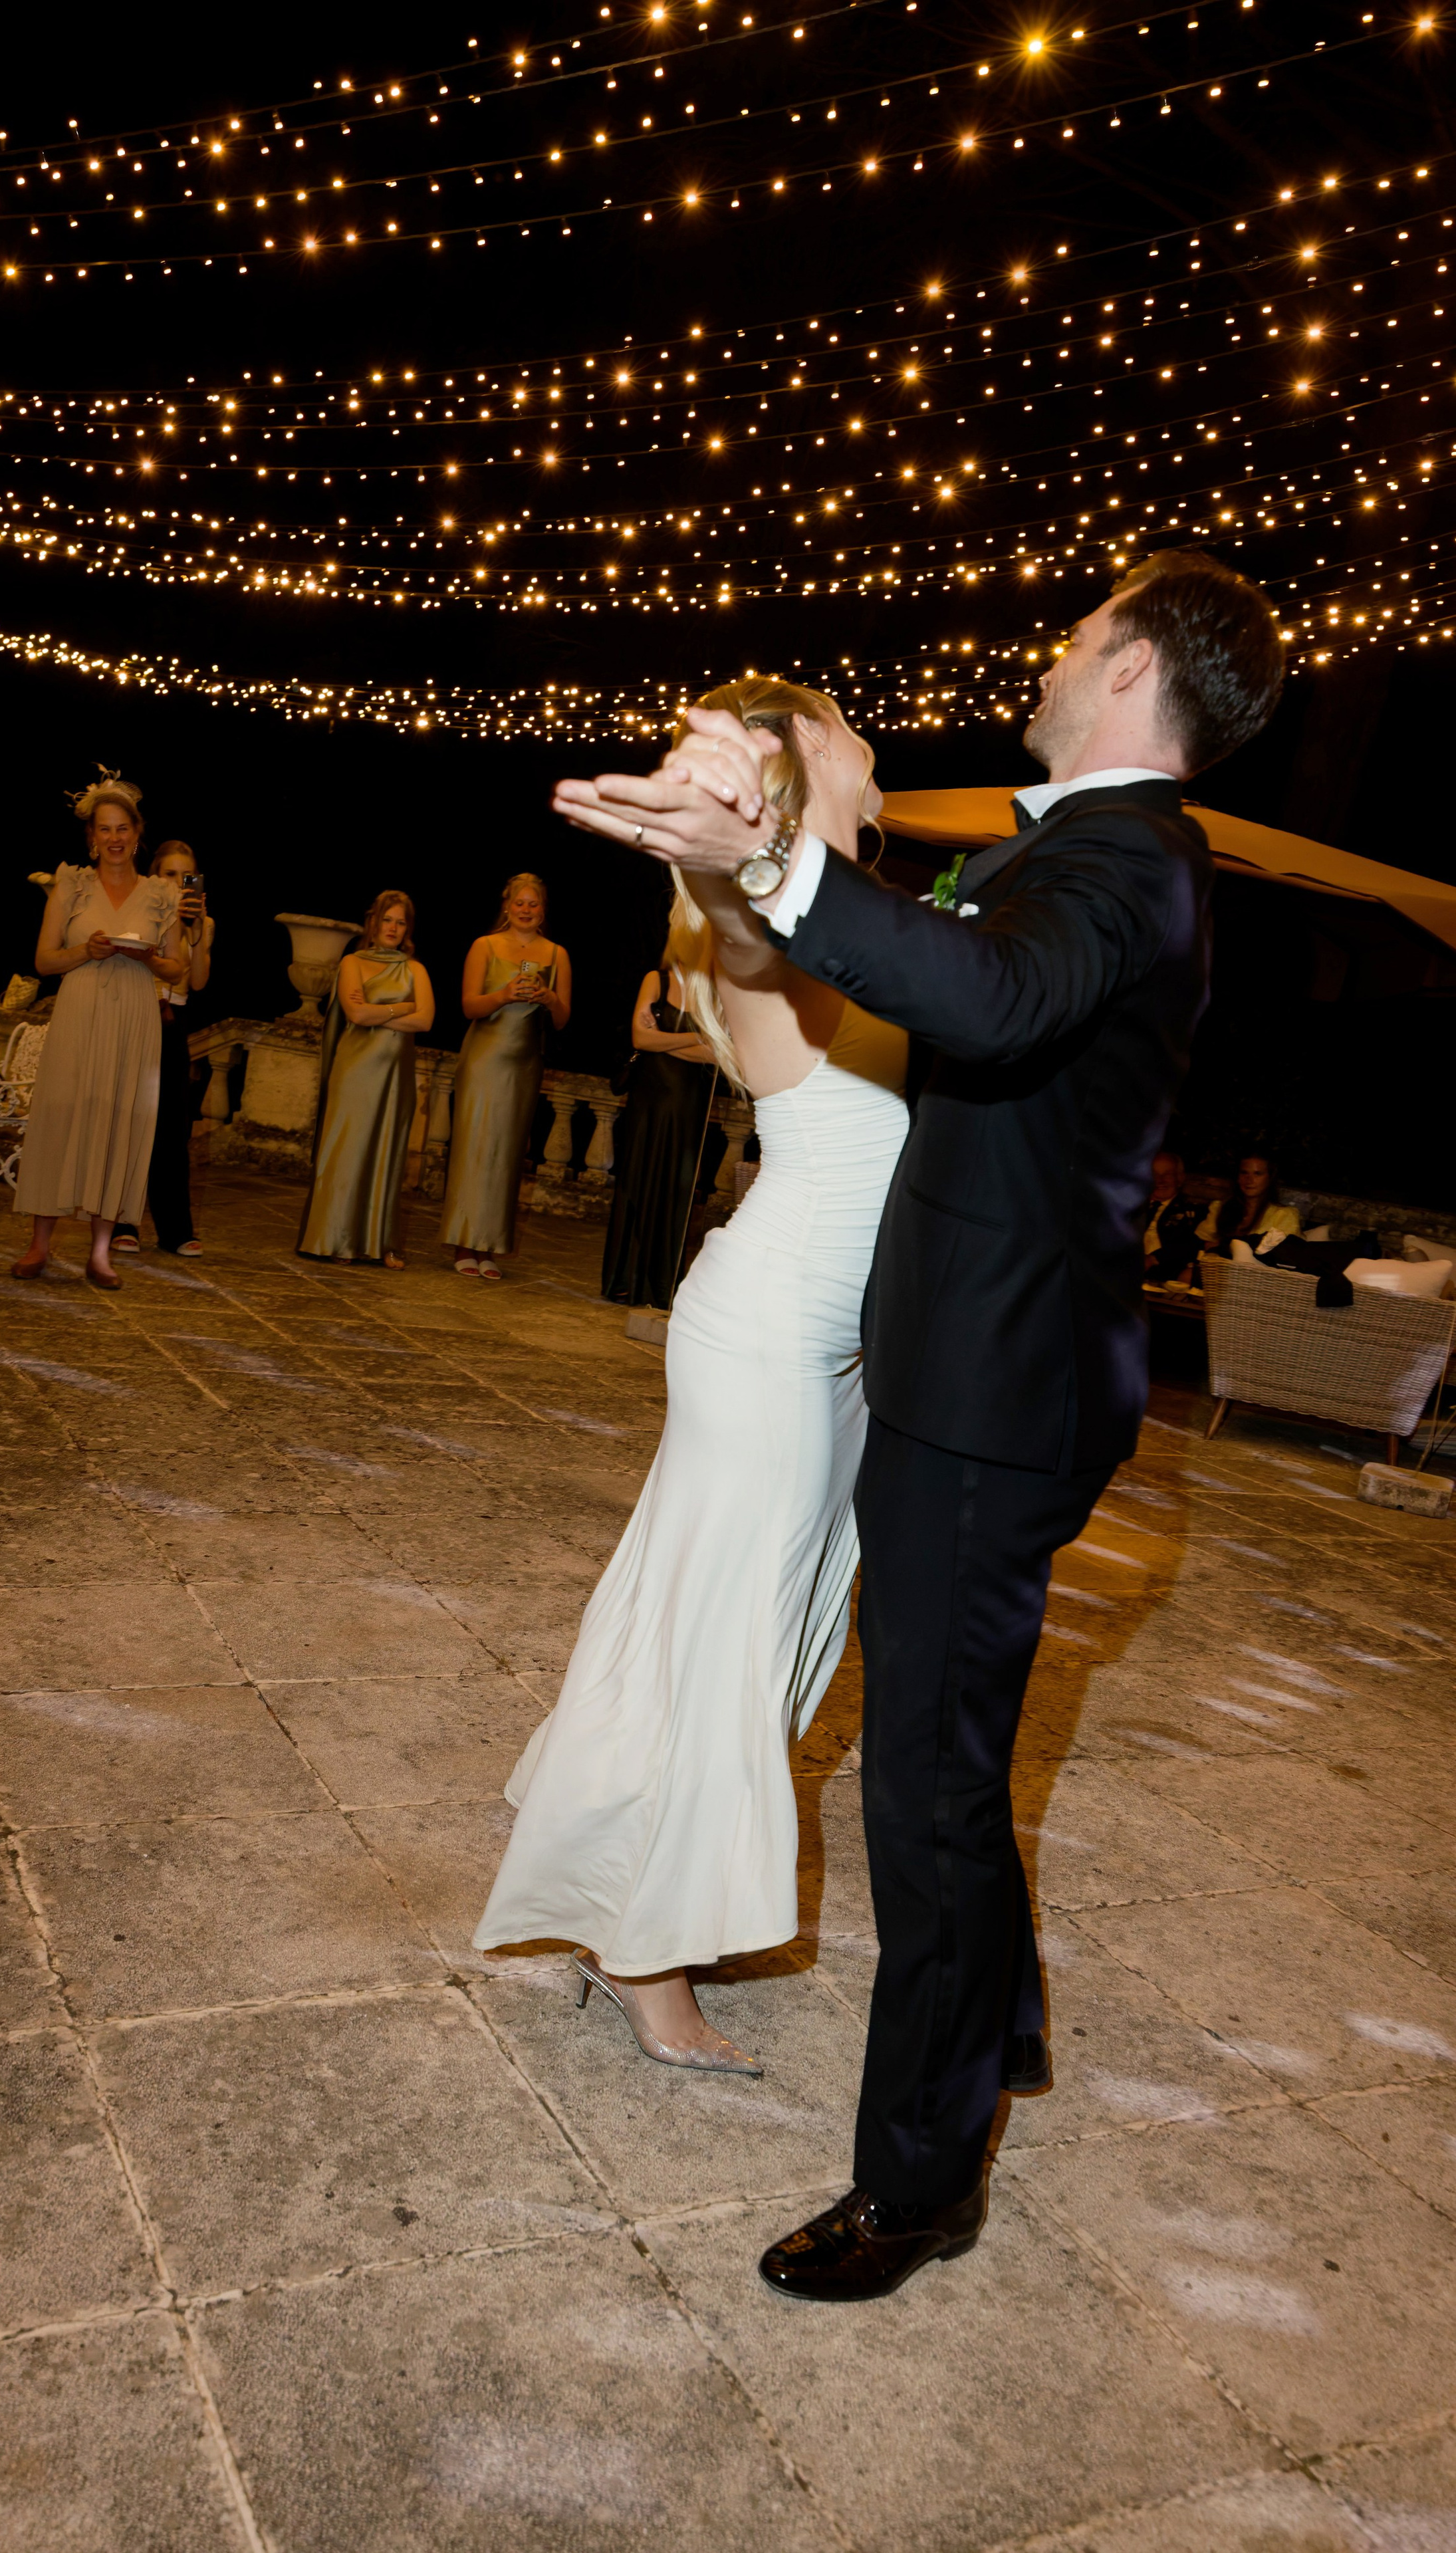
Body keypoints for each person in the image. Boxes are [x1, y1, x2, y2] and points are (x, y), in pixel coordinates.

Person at [555, 546, 1284, 2302]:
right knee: (952, 1751)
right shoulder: (1077, 852)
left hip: (993, 1397)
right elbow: (918, 979)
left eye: (1077, 629)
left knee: (932, 1789)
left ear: (1130, 670)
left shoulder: (1130, 863)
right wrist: (751, 871)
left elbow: (994, 999)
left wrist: (772, 857)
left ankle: (919, 2186)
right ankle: (997, 2023)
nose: (1047, 649)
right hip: (983, 1376)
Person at [476, 679, 910, 2075]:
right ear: (790, 767)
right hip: (770, 1337)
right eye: (841, 720)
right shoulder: (766, 931)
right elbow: (740, 927)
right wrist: (724, 864)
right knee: (718, 1645)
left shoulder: (874, 921)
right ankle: (642, 1956)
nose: (868, 733)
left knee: (764, 1640)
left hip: (838, 1354)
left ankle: (651, 1885)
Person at [12, 777, 186, 1290]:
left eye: (123, 828)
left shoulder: (162, 894)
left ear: (138, 834)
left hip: (135, 1013)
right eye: (104, 829)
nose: (114, 838)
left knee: (120, 1120)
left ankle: (102, 1251)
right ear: (92, 836)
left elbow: (177, 968)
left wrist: (150, 956)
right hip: (80, 1006)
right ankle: (39, 1244)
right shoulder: (71, 884)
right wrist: (82, 952)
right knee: (61, 1114)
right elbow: (44, 960)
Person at [439, 873, 572, 1279]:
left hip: (525, 1063)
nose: (527, 910)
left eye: (534, 904)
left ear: (543, 910)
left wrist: (550, 999)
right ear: (507, 906)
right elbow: (468, 1006)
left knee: (508, 1153)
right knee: (475, 1147)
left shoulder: (557, 954)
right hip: (484, 1057)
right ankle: (465, 1241)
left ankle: (491, 1246)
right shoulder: (486, 946)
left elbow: (563, 1020)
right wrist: (504, 995)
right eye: (520, 903)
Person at [296, 890, 435, 1269]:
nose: (393, 927)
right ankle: (336, 1239)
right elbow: (355, 1016)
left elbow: (425, 1021)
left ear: (408, 928)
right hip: (355, 1071)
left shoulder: (415, 969)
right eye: (387, 919)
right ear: (373, 923)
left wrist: (380, 1011)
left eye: (401, 921)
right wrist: (403, 1006)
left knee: (386, 1153)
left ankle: (378, 1243)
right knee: (347, 1152)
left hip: (394, 1076)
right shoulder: (353, 962)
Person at [599, 915, 718, 1311]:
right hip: (649, 1101)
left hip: (688, 1104)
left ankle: (660, 1285)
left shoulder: (714, 990)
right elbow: (639, 1038)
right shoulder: (656, 979)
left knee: (675, 1193)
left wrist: (662, 1040)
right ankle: (622, 1280)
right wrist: (693, 1038)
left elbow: (717, 1052)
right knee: (637, 1184)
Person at [111, 839, 215, 1257]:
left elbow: (201, 981)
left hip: (175, 1022)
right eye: (169, 874)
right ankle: (123, 1222)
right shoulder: (139, 912)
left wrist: (198, 933)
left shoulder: (201, 924)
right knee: (130, 1123)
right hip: (137, 1017)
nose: (177, 883)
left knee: (173, 1128)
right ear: (154, 875)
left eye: (185, 876)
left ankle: (176, 1230)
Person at [1198, 1153, 1300, 1253]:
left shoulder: (1284, 1215)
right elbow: (1204, 1242)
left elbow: (1284, 1254)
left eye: (1257, 1174)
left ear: (1270, 1178)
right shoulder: (1221, 1208)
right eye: (1244, 1173)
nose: (1249, 1180)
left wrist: (1224, 1247)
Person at [1142, 1148, 1205, 1286]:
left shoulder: (1192, 1212)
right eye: (1155, 1174)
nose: (1161, 1181)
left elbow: (1191, 1245)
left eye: (1168, 1174)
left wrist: (1154, 1259)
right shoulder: (1134, 1207)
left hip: (1167, 1277)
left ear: (1180, 1178)